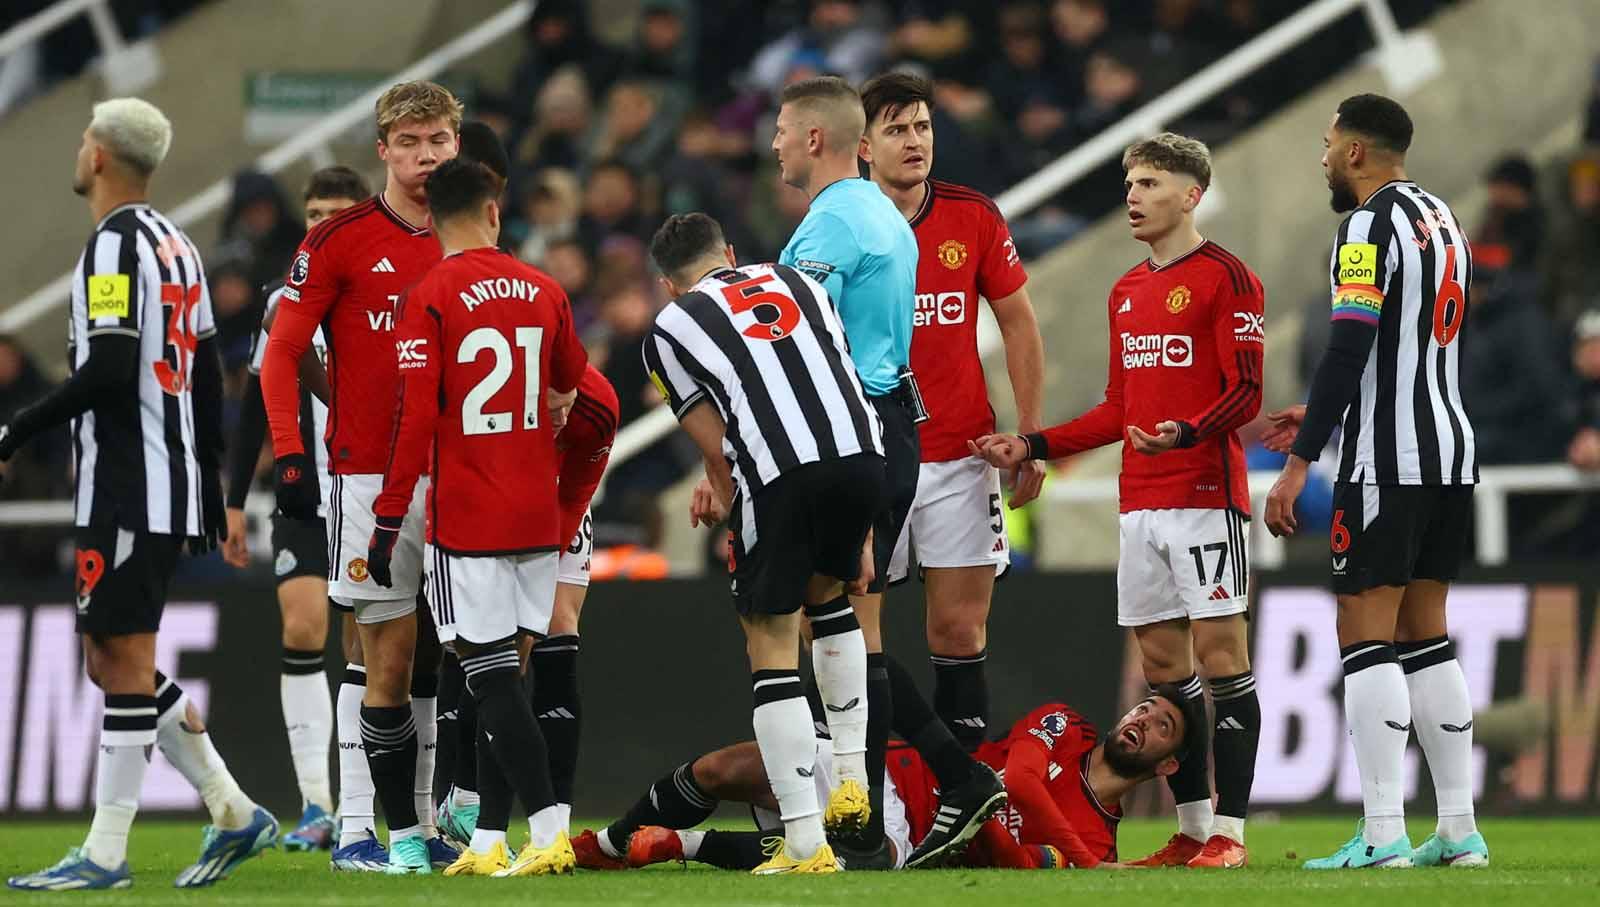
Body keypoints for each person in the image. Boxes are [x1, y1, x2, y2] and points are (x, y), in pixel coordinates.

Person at [4, 97, 277, 891]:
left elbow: (111, 369)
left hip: (126, 484)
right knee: (108, 658)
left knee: (120, 658)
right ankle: (231, 807)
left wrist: (14, 430)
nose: (81, 146)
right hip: (161, 482)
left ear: (99, 157)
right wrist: (207, 482)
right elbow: (199, 374)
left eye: (85, 135)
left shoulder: (114, 246)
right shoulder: (179, 244)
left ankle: (106, 852)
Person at [971, 133, 1264, 869]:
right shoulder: (1127, 290)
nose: (1133, 195)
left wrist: (1189, 429)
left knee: (1224, 659)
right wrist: (1033, 445)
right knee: (1165, 666)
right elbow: (1116, 407)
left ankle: (1230, 831)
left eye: (1150, 182)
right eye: (1130, 181)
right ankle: (1194, 828)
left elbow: (1247, 390)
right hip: (1140, 503)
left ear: (1190, 195)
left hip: (1204, 496)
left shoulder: (1228, 278)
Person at [775, 73, 1005, 866]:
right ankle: (896, 802)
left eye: (781, 129)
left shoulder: (834, 223)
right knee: (841, 620)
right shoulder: (881, 217)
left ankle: (877, 817)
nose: (771, 143)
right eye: (900, 126)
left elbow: (798, 348)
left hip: (861, 425)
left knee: (838, 623)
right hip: (892, 424)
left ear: (816, 138)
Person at [1262, 93, 1487, 870]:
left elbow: (1351, 343)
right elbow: (1415, 342)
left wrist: (1299, 462)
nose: (1323, 156)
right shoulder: (1444, 217)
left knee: (1365, 630)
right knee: (1428, 635)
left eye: (1328, 144)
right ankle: (1458, 830)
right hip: (1450, 449)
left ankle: (1384, 831)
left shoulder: (1365, 224)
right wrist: (1327, 410)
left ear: (1356, 152)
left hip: (1386, 457)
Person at [261, 80, 464, 873]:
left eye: (438, 142)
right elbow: (282, 353)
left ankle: (416, 825)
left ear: (456, 145)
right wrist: (289, 454)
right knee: (378, 649)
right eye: (409, 143)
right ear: (382, 150)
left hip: (457, 476)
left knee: (435, 659)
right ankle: (355, 828)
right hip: (368, 475)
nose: (424, 157)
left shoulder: (474, 235)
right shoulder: (339, 240)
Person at [644, 212, 886, 874]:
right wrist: (862, 528)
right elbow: (841, 372)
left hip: (779, 471)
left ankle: (806, 842)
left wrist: (730, 507)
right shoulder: (797, 280)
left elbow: (717, 446)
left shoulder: (671, 325)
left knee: (770, 638)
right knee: (831, 598)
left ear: (669, 285)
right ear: (729, 251)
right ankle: (852, 780)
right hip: (864, 453)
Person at [367, 156, 588, 878]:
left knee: (488, 679)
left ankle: (551, 825)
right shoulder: (545, 287)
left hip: (471, 514)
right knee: (507, 679)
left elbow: (414, 421)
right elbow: (570, 379)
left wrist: (387, 519)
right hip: (537, 513)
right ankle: (491, 837)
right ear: (495, 212)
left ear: (432, 219)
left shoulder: (429, 293)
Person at [430, 121, 623, 854]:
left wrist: (567, 504)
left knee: (527, 645)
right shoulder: (509, 284)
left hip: (513, 502)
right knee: (484, 662)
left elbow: (597, 407)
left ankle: (536, 823)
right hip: (518, 500)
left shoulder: (478, 284)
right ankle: (483, 820)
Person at [858, 71, 1047, 753]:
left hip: (961, 458)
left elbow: (1020, 325)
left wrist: (1030, 434)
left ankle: (960, 801)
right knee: (852, 634)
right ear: (862, 145)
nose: (914, 142)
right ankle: (870, 794)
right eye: (897, 130)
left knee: (960, 633)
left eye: (923, 127)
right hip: (871, 459)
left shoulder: (972, 215)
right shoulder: (840, 227)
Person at [579, 682, 1200, 872]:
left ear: (1167, 766)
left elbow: (1013, 860)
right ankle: (608, 844)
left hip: (913, 838)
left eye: (1162, 727)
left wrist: (986, 834)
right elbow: (1022, 778)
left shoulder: (1098, 841)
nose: (1142, 720)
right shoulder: (1066, 725)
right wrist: (1089, 868)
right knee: (723, 769)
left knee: (836, 859)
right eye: (1145, 708)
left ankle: (676, 844)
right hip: (888, 769)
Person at [220, 165, 372, 853]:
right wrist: (231, 499)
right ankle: (317, 801)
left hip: (370, 492)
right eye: (313, 214)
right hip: (302, 494)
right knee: (303, 623)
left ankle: (366, 803)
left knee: (364, 646)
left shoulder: (386, 295)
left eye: (337, 213)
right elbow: (256, 400)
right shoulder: (282, 299)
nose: (322, 226)